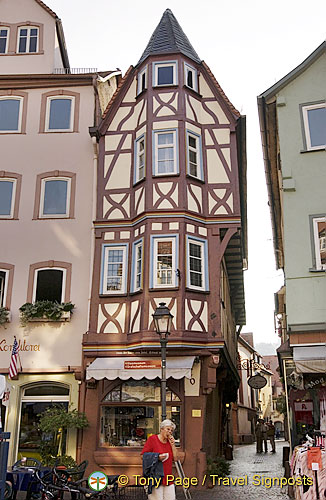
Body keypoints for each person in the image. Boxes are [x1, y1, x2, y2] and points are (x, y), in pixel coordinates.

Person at [141, 419, 178, 500]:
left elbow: (175, 459)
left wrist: (173, 445)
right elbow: (143, 456)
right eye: (168, 429)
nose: (170, 432)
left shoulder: (169, 442)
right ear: (161, 429)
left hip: (168, 477)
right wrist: (157, 457)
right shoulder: (153, 439)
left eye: (171, 430)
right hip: (156, 477)